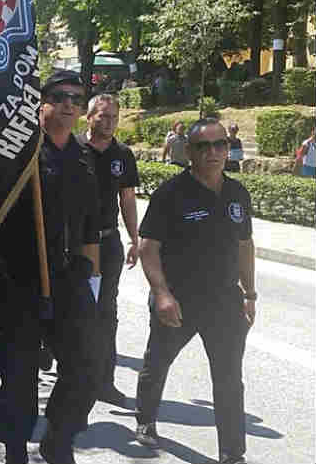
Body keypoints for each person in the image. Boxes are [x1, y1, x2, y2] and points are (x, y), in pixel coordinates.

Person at [0, 70, 102, 464]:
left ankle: (58, 435)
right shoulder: (19, 154)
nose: (70, 104)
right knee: (20, 372)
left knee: (89, 364)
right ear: (42, 102)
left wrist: (93, 278)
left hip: (70, 276)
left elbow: (91, 226)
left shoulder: (84, 159)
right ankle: (15, 448)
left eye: (77, 98)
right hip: (20, 277)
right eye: (60, 96)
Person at [135, 118, 256, 464]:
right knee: (157, 362)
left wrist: (250, 294)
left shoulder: (237, 193)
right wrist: (161, 294)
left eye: (220, 145)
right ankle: (145, 418)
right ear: (188, 151)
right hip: (178, 299)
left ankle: (232, 453)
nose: (214, 152)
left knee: (229, 377)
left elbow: (245, 245)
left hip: (224, 301)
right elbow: (148, 247)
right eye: (204, 146)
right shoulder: (171, 193)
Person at [79, 93, 140, 406]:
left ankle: (105, 381)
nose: (108, 122)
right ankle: (70, 371)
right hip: (75, 243)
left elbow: (127, 198)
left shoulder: (123, 154)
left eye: (114, 117)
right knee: (75, 308)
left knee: (107, 312)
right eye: (102, 116)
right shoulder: (75, 149)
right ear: (89, 117)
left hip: (108, 241)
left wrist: (135, 238)